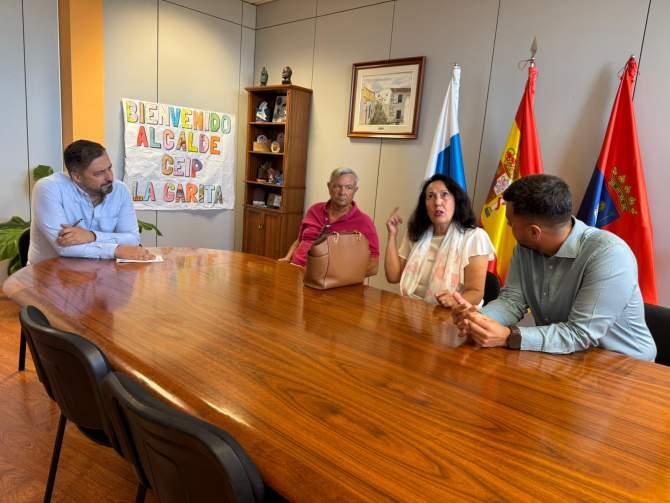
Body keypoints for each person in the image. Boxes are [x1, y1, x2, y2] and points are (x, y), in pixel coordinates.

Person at [452, 174, 656, 361]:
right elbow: (512, 301)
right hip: (564, 358)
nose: (508, 227)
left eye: (510, 223)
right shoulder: (525, 248)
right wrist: (478, 319)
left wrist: (508, 336)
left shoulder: (609, 254)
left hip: (625, 368)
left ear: (534, 232)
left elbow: (580, 334)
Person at [28, 139, 154, 264]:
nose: (110, 177)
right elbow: (65, 247)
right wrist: (116, 250)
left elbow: (132, 239)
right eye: (99, 173)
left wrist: (92, 236)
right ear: (77, 177)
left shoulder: (120, 190)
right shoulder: (49, 188)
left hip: (99, 271)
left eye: (109, 168)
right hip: (49, 272)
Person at [385, 174, 494, 306]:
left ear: (456, 200)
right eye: (430, 196)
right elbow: (393, 276)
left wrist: (454, 300)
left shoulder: (474, 237)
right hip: (410, 308)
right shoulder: (416, 232)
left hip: (452, 314)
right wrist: (392, 235)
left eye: (444, 195)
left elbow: (476, 292)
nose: (437, 202)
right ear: (424, 205)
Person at [279, 167, 379, 275]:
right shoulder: (314, 210)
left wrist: (341, 276)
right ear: (329, 187)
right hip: (295, 269)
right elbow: (300, 241)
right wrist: (287, 258)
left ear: (355, 190)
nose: (342, 192)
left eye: (348, 187)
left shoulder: (364, 222)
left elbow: (373, 266)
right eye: (337, 186)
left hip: (329, 279)